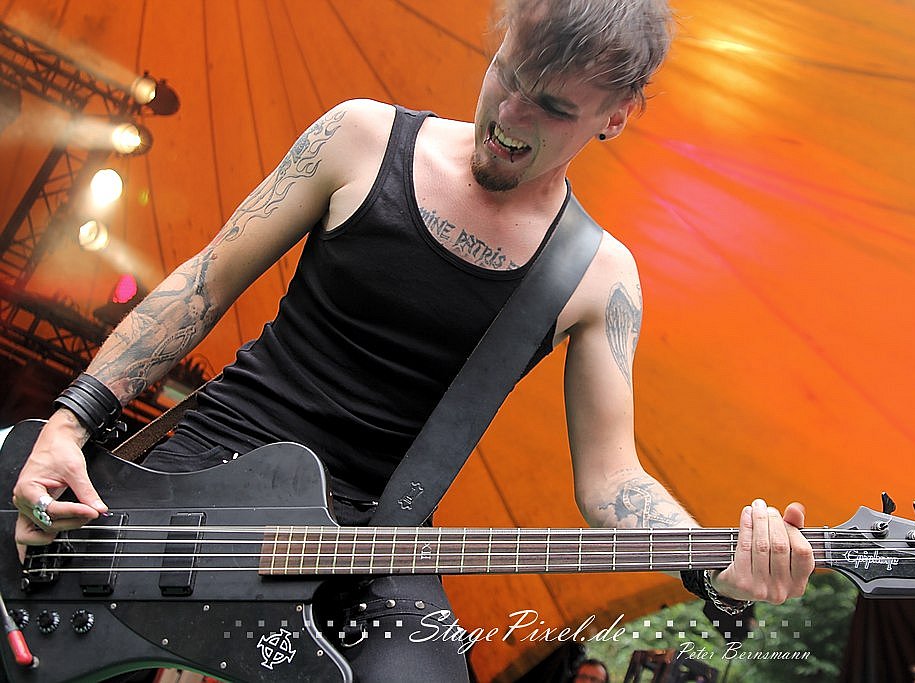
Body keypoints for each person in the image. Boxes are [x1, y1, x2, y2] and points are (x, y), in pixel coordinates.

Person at [11, 1, 814, 680]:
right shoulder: (360, 137)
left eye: (551, 107)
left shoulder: (598, 275)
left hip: (376, 539)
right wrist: (69, 423)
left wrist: (716, 559)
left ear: (616, 115)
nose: (509, 116)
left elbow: (611, 479)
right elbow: (203, 284)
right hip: (212, 469)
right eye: (506, 74)